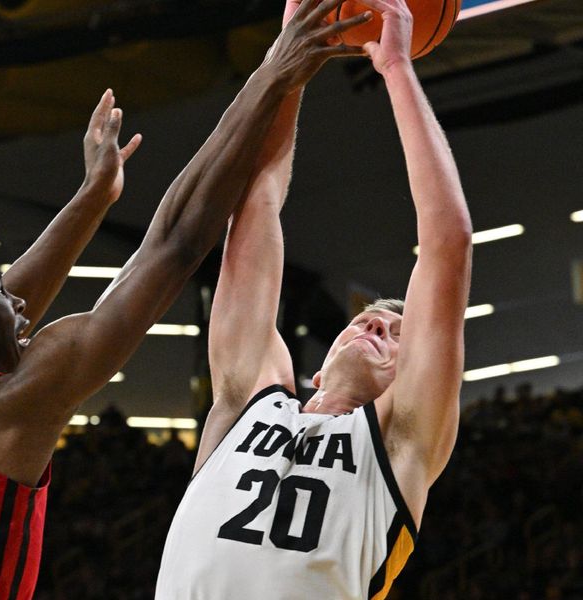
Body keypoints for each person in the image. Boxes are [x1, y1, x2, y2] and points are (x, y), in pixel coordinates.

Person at [0, 2, 373, 598]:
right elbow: (176, 245)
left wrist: (92, 196)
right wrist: (272, 74)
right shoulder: (5, 409)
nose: (20, 301)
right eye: (0, 292)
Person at [155, 0, 473, 597]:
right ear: (320, 359)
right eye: (368, 321)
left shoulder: (402, 439)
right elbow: (256, 207)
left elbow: (447, 243)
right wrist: (291, 57)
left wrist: (398, 68)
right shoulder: (247, 397)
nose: (377, 328)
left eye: (397, 337)